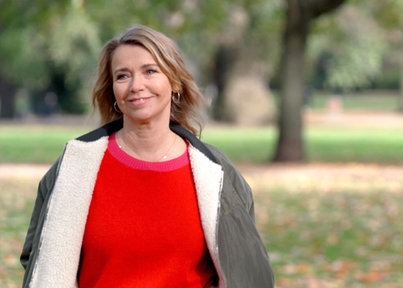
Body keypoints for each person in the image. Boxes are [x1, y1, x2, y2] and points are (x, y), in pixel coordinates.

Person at [20, 24, 274, 288]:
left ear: (174, 81)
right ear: (113, 92)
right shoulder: (75, 166)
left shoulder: (217, 174)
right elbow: (38, 260)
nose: (136, 86)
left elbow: (247, 270)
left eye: (150, 71)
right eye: (122, 76)